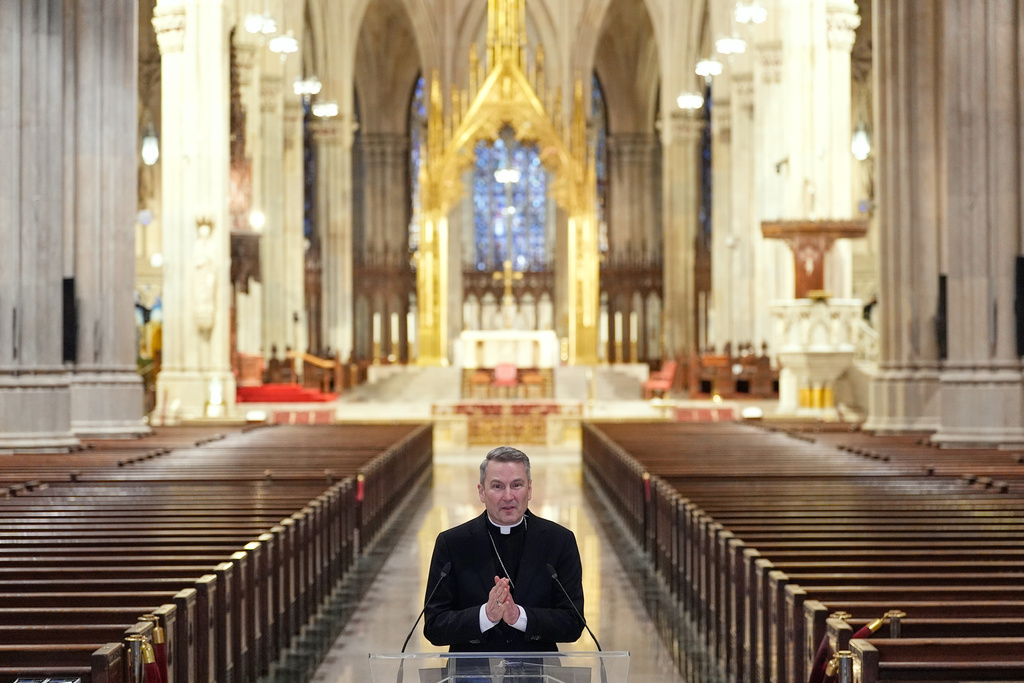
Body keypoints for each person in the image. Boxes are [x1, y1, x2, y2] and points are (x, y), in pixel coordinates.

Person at [422, 446, 586, 653]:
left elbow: (573, 622)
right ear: (481, 492)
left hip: (538, 674)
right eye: (497, 486)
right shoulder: (453, 543)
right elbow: (434, 626)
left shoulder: (559, 541)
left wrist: (519, 617)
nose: (508, 496)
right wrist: (485, 616)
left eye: (516, 485)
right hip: (471, 675)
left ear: (530, 489)